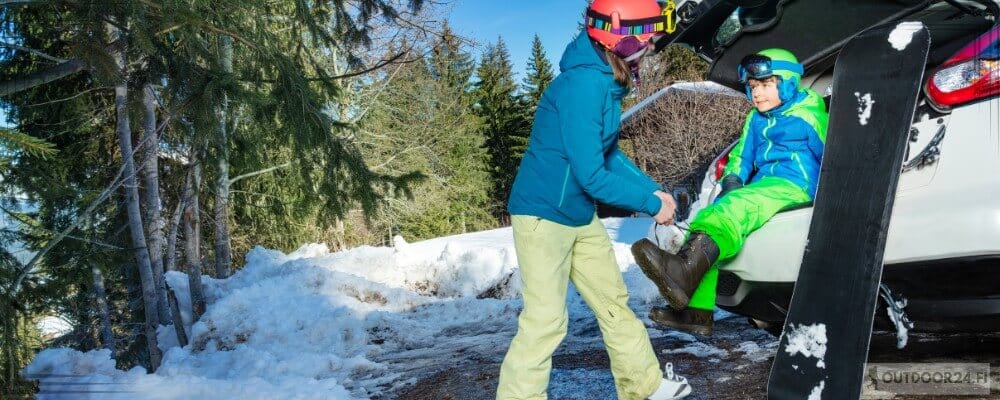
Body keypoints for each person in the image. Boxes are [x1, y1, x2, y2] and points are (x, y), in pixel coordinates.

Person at [497, 1, 693, 400]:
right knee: (546, 320)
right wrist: (650, 204)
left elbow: (608, 155)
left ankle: (645, 387)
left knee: (612, 303)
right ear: (623, 36)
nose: (654, 44)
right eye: (650, 35)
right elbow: (592, 176)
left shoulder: (606, 80)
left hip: (578, 214)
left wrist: (652, 189)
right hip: (542, 216)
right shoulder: (583, 86)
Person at [631, 48, 829, 336]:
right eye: (752, 87)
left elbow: (833, 154)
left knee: (738, 207)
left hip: (795, 185)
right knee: (711, 219)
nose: (757, 94)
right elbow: (742, 156)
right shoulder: (755, 119)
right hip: (762, 187)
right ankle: (696, 312)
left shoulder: (809, 115)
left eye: (764, 85)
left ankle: (684, 273)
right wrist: (733, 179)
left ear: (787, 83)